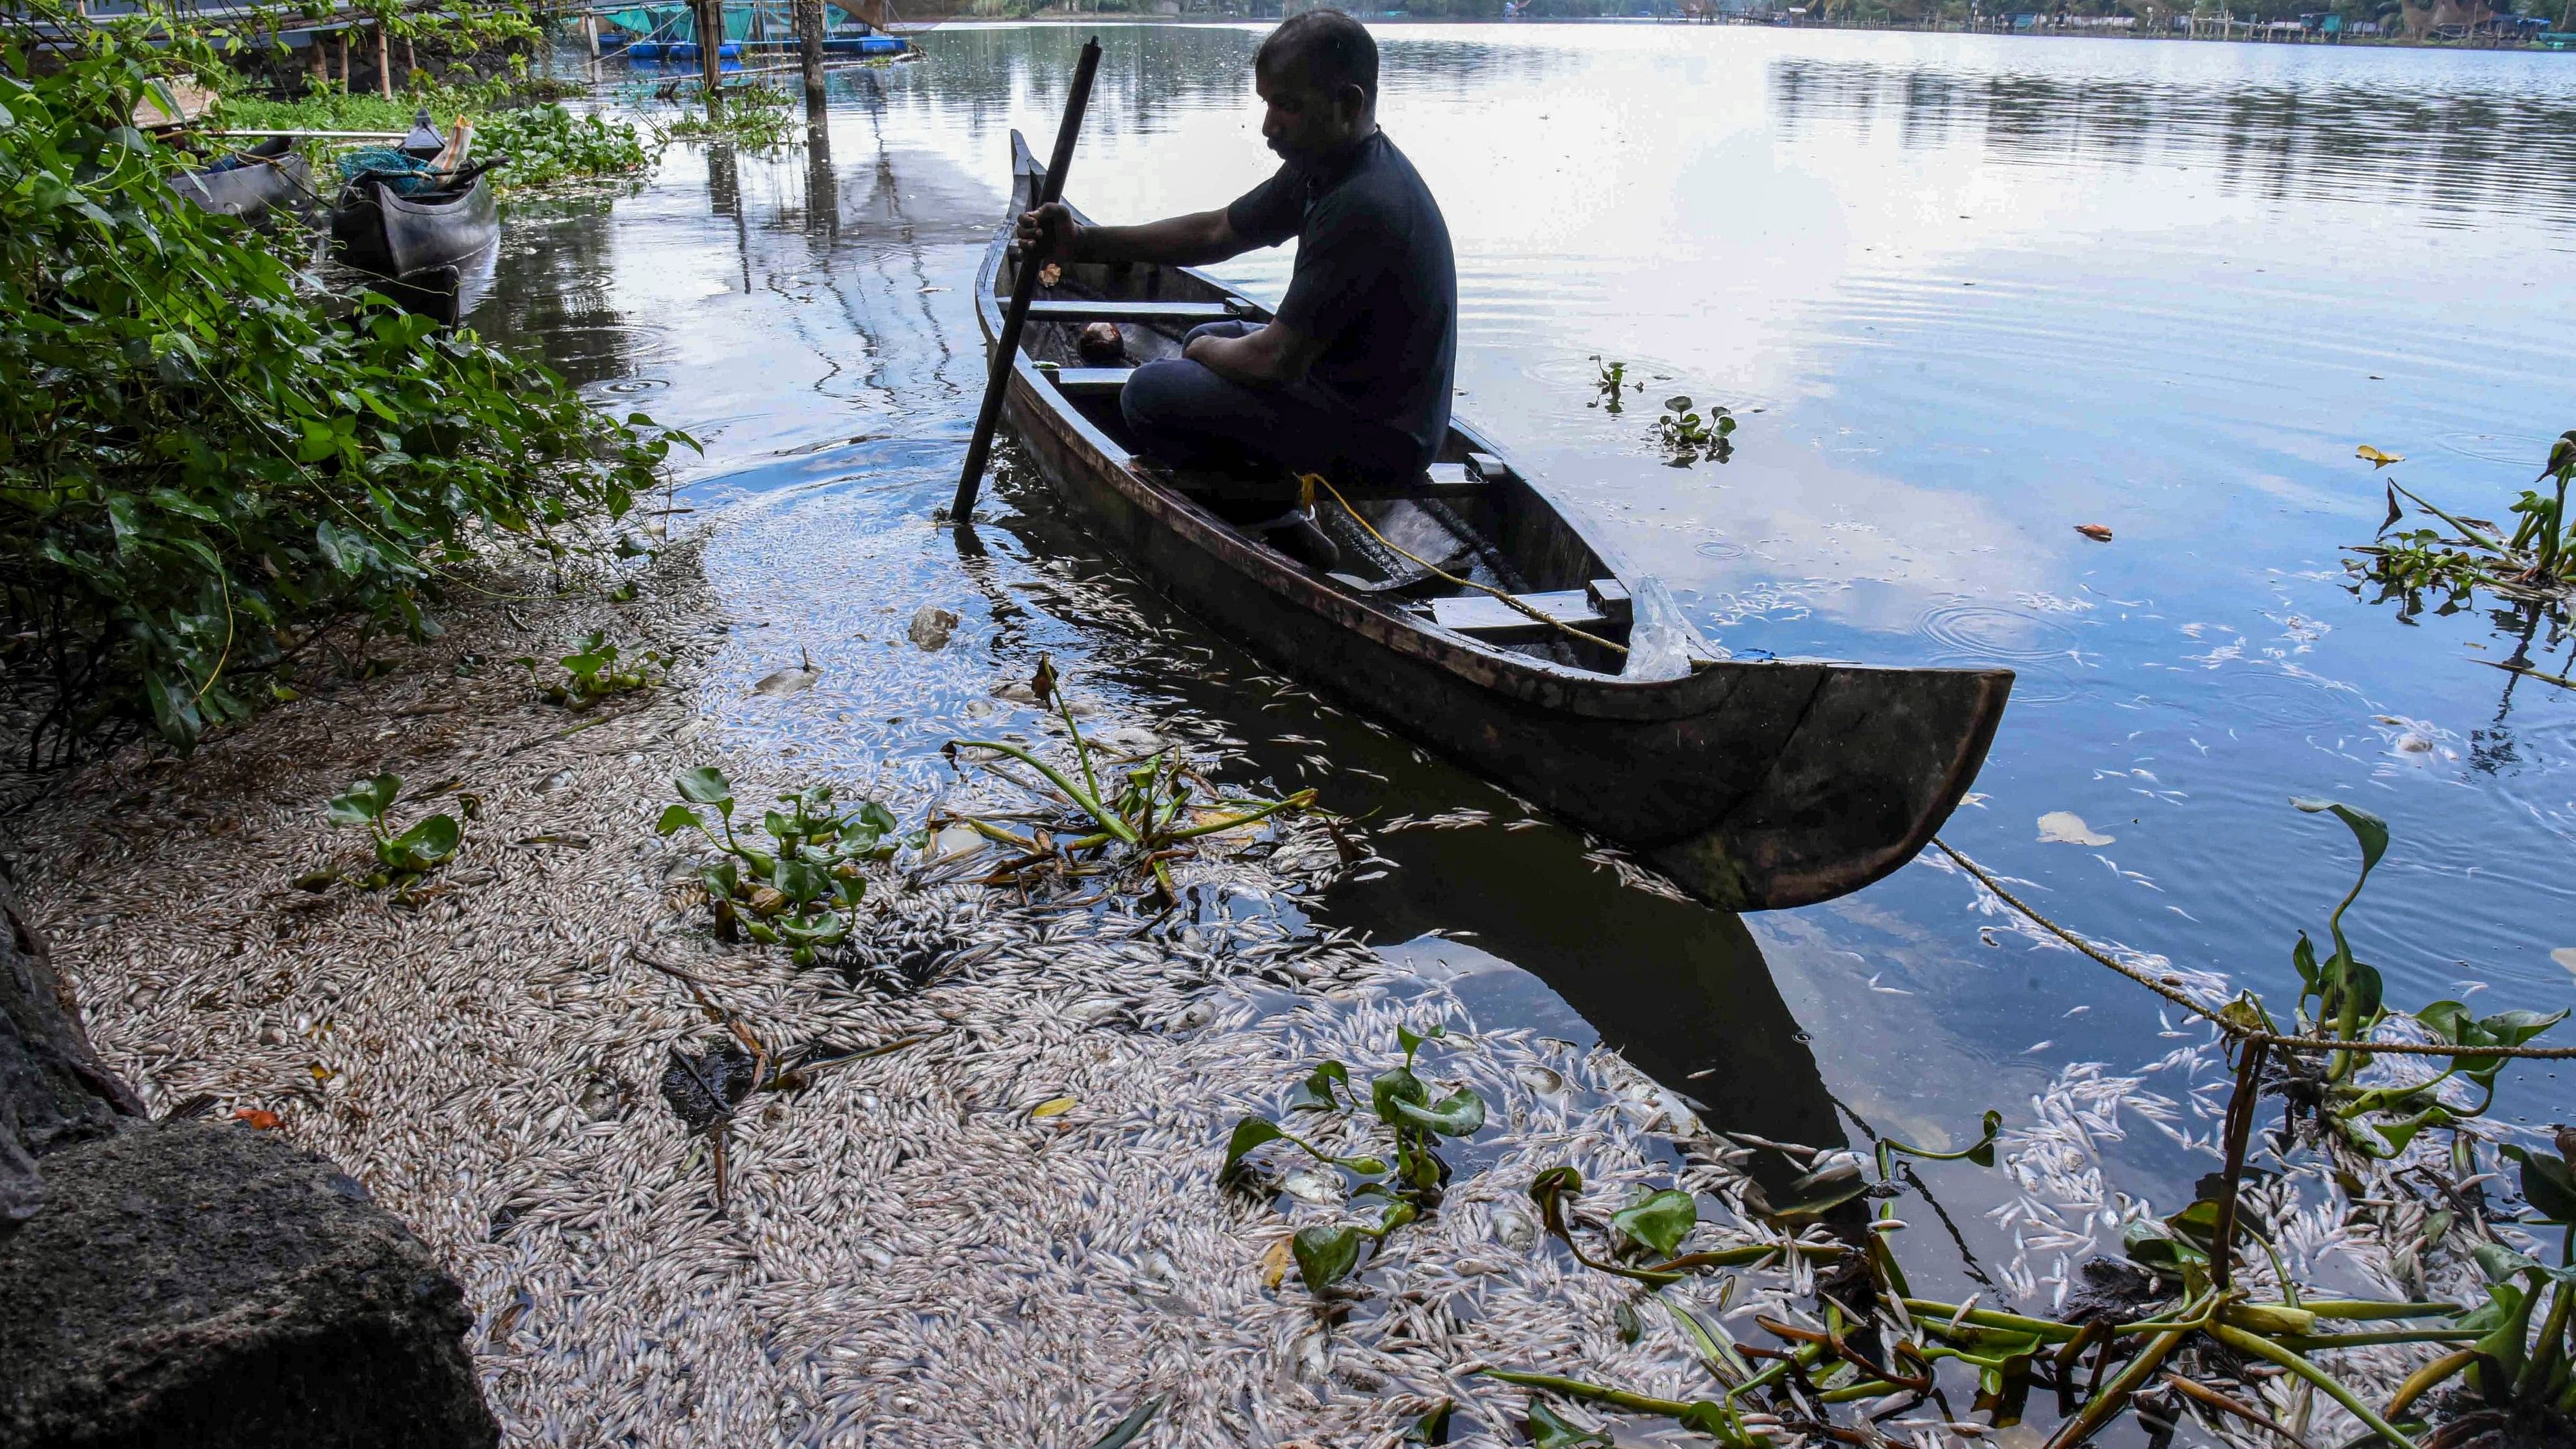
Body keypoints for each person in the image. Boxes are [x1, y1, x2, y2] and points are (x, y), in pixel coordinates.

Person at [1015, 9, 1457, 569]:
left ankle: (1271, 514)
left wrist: (1200, 355)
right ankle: (1278, 515)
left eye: (1287, 106)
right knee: (1206, 332)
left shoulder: (1363, 205)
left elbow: (1274, 359)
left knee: (1148, 395)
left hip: (1385, 443)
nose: (1269, 125)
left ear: (1347, 105)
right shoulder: (1326, 164)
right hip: (1370, 401)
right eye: (1267, 103)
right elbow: (1215, 231)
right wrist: (1081, 243)